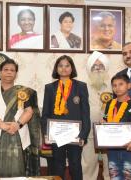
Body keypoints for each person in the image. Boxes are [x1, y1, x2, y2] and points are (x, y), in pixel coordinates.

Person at [0, 59, 40, 177]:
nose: (9, 72)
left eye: (12, 70)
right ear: (0, 72)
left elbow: (29, 111)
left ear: (16, 74)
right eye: (6, 69)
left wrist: (17, 125)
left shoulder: (23, 91)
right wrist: (1, 124)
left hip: (17, 135)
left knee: (18, 173)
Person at [41, 55, 90, 180]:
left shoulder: (81, 86)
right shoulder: (50, 88)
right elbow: (45, 113)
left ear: (72, 68)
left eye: (67, 65)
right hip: (56, 134)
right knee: (58, 165)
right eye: (60, 65)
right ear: (56, 68)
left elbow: (85, 113)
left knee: (75, 165)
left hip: (76, 135)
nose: (64, 68)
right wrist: (46, 134)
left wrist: (83, 135)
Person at [81, 51, 110, 180]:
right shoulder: (82, 87)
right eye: (95, 66)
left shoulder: (113, 85)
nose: (98, 69)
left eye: (101, 66)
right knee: (88, 166)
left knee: (110, 165)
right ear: (89, 69)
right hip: (89, 133)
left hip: (110, 134)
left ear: (106, 68)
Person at [102, 74, 131, 180]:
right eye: (114, 85)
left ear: (129, 85)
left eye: (120, 84)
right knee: (114, 175)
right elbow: (106, 120)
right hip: (112, 149)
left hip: (128, 148)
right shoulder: (110, 104)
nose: (117, 88)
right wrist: (102, 124)